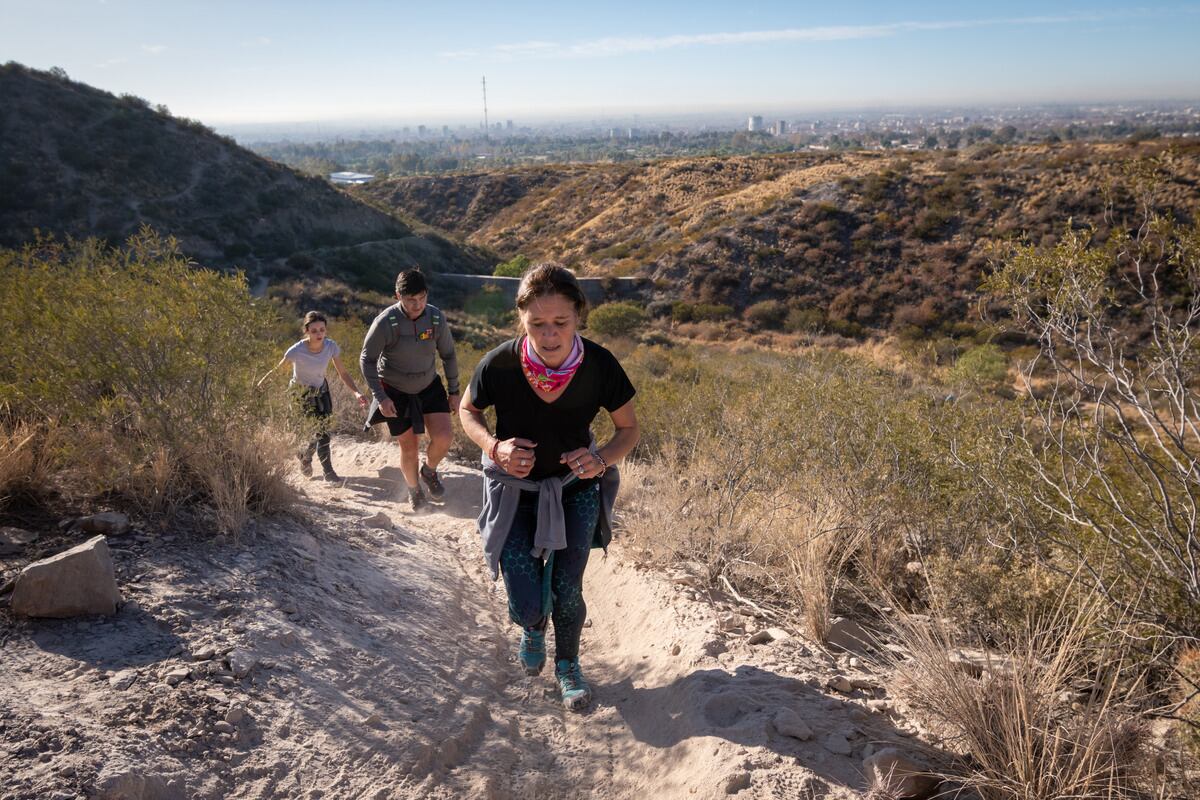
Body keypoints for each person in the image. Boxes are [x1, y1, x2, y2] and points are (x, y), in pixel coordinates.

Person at [459, 263, 639, 711]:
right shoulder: (499, 363)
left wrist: (599, 460)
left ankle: (568, 666)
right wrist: (494, 447)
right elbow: (467, 411)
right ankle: (532, 626)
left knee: (568, 587)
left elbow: (628, 430)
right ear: (522, 319)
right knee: (525, 600)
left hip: (574, 489)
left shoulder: (600, 365)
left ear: (578, 316)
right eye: (537, 323)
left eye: (560, 322)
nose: (549, 334)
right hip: (515, 493)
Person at [360, 269, 460, 511]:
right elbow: (367, 359)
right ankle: (414, 491)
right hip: (394, 390)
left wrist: (454, 391)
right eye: (411, 300)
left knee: (444, 437)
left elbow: (448, 355)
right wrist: (381, 397)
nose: (417, 305)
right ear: (398, 296)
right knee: (409, 446)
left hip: (428, 384)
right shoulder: (386, 322)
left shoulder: (435, 318)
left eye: (422, 298)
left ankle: (429, 471)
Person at [258, 311, 367, 481]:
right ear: (307, 331)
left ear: (326, 330)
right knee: (314, 432)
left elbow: (343, 373)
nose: (319, 334)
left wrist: (356, 392)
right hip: (300, 395)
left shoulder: (331, 347)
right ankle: (308, 458)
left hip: (321, 392)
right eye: (314, 330)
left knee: (323, 432)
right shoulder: (297, 350)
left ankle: (326, 471)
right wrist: (261, 385)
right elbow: (278, 371)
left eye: (322, 330)